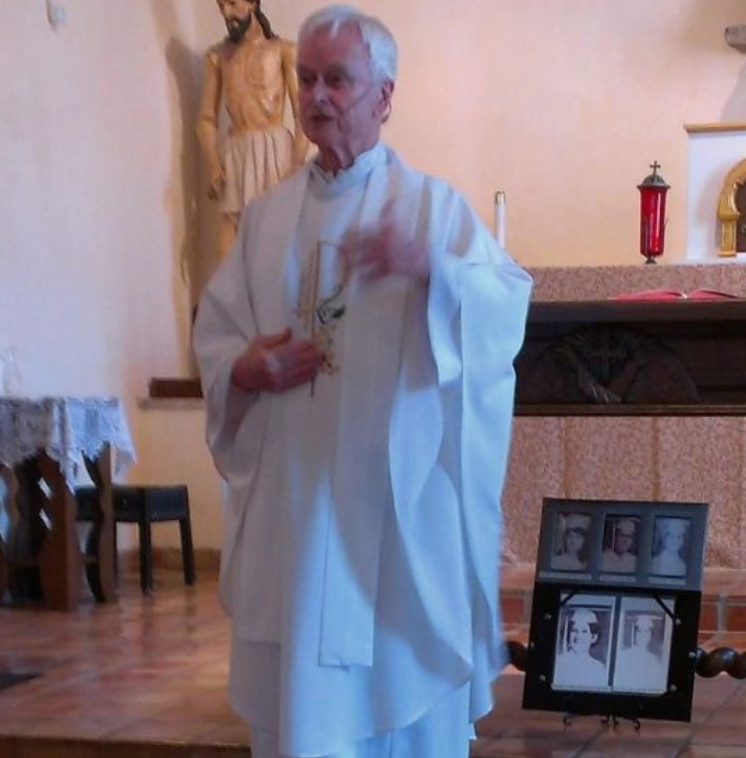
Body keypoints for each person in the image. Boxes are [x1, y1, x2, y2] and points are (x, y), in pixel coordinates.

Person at [192, 6, 533, 758]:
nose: (317, 96)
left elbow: (504, 303)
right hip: (294, 506)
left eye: (337, 80)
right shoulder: (265, 220)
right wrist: (246, 370)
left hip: (393, 510)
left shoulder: (430, 208)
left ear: (383, 96)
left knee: (400, 705)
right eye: (306, 79)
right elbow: (218, 335)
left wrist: (431, 269)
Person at [197, 0, 310, 265]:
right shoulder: (217, 57)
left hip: (276, 150)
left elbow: (302, 114)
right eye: (220, 5)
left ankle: (278, 302)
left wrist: (295, 165)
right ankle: (231, 303)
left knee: (280, 236)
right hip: (238, 149)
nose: (226, 13)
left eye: (233, 4)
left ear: (253, 3)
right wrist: (213, 164)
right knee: (230, 234)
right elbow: (206, 117)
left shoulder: (284, 51)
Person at [611, 612, 669, 694]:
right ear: (635, 633)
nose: (642, 635)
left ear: (650, 636)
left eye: (646, 632)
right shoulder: (624, 656)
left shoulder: (653, 661)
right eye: (639, 631)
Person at [552, 608, 609, 691]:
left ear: (593, 637)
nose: (578, 636)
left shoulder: (598, 668)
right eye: (574, 630)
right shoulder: (558, 662)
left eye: (584, 631)